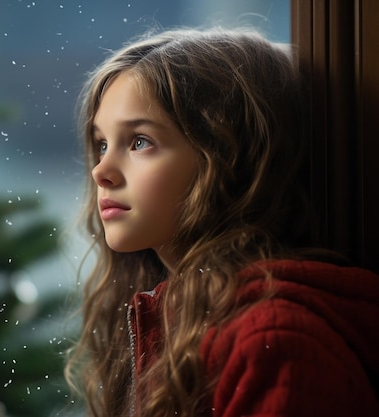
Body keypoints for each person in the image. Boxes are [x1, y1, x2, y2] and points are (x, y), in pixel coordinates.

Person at [64, 28, 379, 417]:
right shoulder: (178, 318)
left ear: (227, 157)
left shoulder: (273, 342)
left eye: (140, 141)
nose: (101, 171)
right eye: (101, 144)